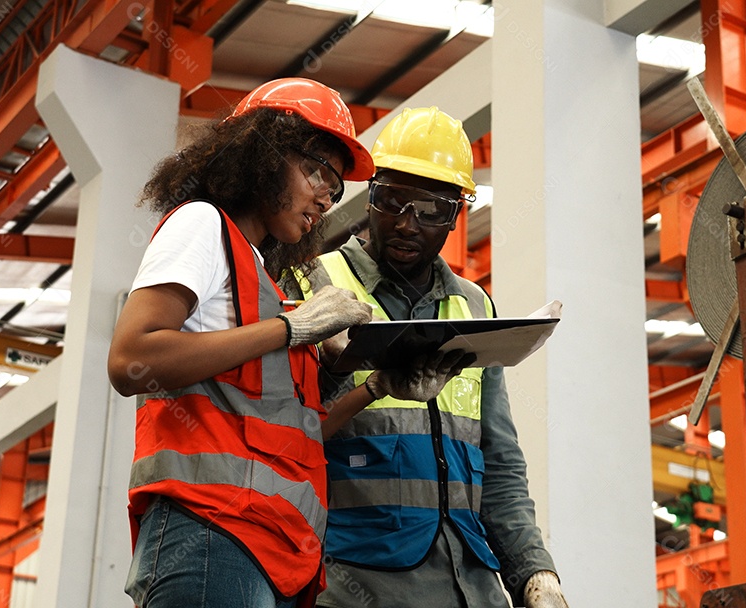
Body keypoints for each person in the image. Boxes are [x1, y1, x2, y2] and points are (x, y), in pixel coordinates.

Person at [107, 77, 377, 608]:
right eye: (318, 172)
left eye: (335, 186)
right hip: (211, 535)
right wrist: (292, 329)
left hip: (270, 551)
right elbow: (130, 358)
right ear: (264, 155)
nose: (326, 195)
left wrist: (375, 387)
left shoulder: (263, 284)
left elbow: (293, 438)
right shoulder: (202, 225)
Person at [296, 107, 569, 608]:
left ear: (457, 214)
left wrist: (534, 572)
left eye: (431, 210)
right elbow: (287, 432)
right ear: (371, 193)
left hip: (471, 585)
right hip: (355, 583)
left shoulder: (475, 306)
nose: (406, 223)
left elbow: (499, 460)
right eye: (391, 200)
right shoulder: (315, 283)